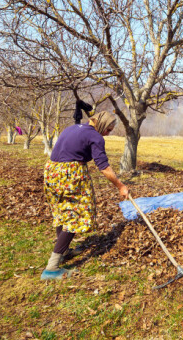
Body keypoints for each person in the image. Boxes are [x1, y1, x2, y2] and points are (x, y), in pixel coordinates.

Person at [40, 110, 129, 280]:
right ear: (102, 124)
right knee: (76, 216)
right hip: (70, 175)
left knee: (62, 212)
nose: (107, 134)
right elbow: (103, 166)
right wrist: (120, 186)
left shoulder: (72, 128)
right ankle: (51, 268)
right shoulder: (96, 137)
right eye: (108, 130)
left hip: (51, 171)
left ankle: (64, 250)